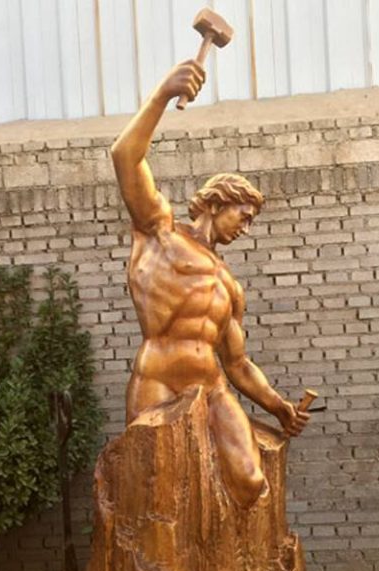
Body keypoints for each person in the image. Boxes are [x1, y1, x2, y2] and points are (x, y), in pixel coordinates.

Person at [111, 59, 309, 508]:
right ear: (220, 202)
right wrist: (163, 93)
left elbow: (238, 364)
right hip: (158, 380)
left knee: (250, 483)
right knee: (155, 498)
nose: (247, 225)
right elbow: (125, 156)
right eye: (244, 215)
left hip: (213, 386)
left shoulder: (228, 285)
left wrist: (279, 406)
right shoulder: (158, 231)